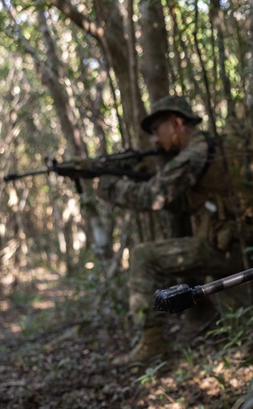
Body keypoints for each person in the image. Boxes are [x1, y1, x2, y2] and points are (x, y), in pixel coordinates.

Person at [98, 95, 245, 365]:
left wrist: (110, 186)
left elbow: (152, 197)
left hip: (228, 248)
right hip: (227, 243)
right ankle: (198, 319)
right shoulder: (202, 150)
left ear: (177, 123)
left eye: (157, 130)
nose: (155, 140)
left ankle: (152, 342)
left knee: (143, 255)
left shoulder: (195, 153)